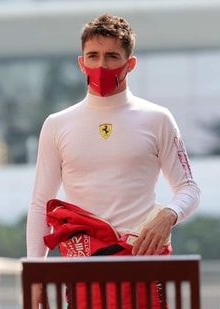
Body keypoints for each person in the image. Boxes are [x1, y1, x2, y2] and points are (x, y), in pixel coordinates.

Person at [26, 13, 201, 308]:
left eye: (111, 56)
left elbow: (189, 188)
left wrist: (168, 215)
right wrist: (36, 270)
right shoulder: (57, 124)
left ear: (129, 63)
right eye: (93, 56)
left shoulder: (158, 119)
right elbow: (40, 202)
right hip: (83, 268)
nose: (101, 65)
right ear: (81, 62)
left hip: (143, 262)